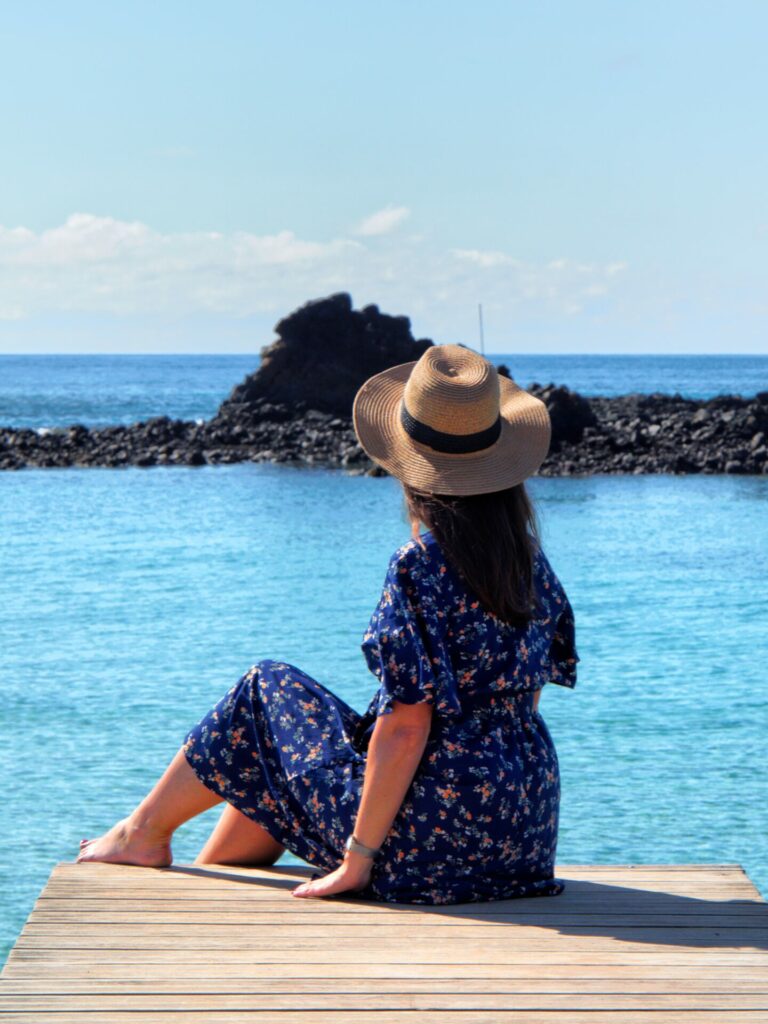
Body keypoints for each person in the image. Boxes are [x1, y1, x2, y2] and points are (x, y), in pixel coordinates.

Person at [77, 343, 579, 904]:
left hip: (432, 847)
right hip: (524, 836)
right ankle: (193, 867)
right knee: (290, 757)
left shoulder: (420, 565)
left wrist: (357, 861)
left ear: (408, 463)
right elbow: (525, 702)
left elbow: (408, 725)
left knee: (263, 688)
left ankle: (142, 832)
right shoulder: (528, 558)